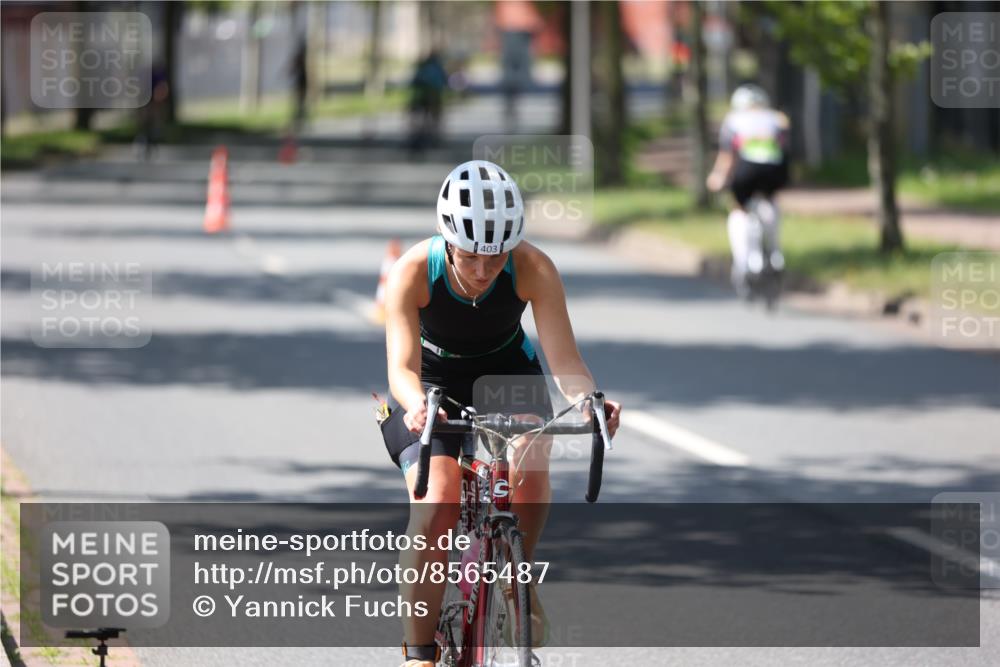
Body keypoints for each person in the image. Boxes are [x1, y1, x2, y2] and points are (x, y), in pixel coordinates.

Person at [379, 160, 622, 666]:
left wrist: (589, 402)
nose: (485, 271)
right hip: (430, 386)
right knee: (438, 503)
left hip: (509, 374)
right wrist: (417, 406)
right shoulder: (412, 272)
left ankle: (517, 577)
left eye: (496, 257)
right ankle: (419, 652)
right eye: (470, 258)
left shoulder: (533, 267)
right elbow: (400, 368)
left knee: (531, 459)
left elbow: (566, 361)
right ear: (447, 240)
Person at [706, 83, 790, 296]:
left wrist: (717, 178)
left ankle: (743, 263)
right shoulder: (777, 118)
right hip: (775, 170)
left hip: (747, 170)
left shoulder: (733, 120)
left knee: (739, 209)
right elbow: (785, 148)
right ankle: (775, 251)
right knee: (769, 201)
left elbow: (728, 156)